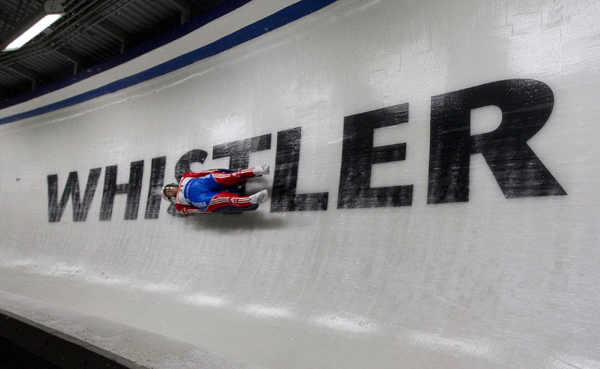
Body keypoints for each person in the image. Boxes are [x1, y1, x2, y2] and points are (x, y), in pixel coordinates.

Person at [161, 165, 270, 214]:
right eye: (167, 193)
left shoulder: (184, 177)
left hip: (204, 182)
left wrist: (215, 170)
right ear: (171, 198)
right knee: (226, 199)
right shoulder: (179, 205)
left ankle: (257, 170)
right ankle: (253, 199)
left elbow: (200, 173)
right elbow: (195, 211)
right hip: (200, 199)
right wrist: (210, 211)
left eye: (168, 188)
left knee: (231, 176)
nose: (169, 190)